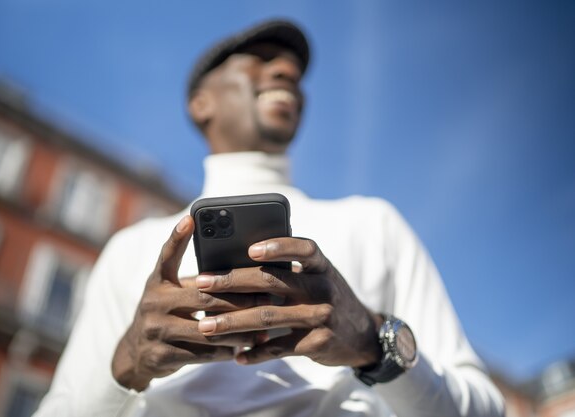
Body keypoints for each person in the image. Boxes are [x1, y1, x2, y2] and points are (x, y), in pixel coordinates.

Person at [34, 19, 505, 417]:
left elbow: (487, 408)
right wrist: (128, 361)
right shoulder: (131, 249)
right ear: (202, 103)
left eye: (295, 73)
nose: (286, 72)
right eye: (259, 60)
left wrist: (369, 340)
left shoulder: (373, 223)